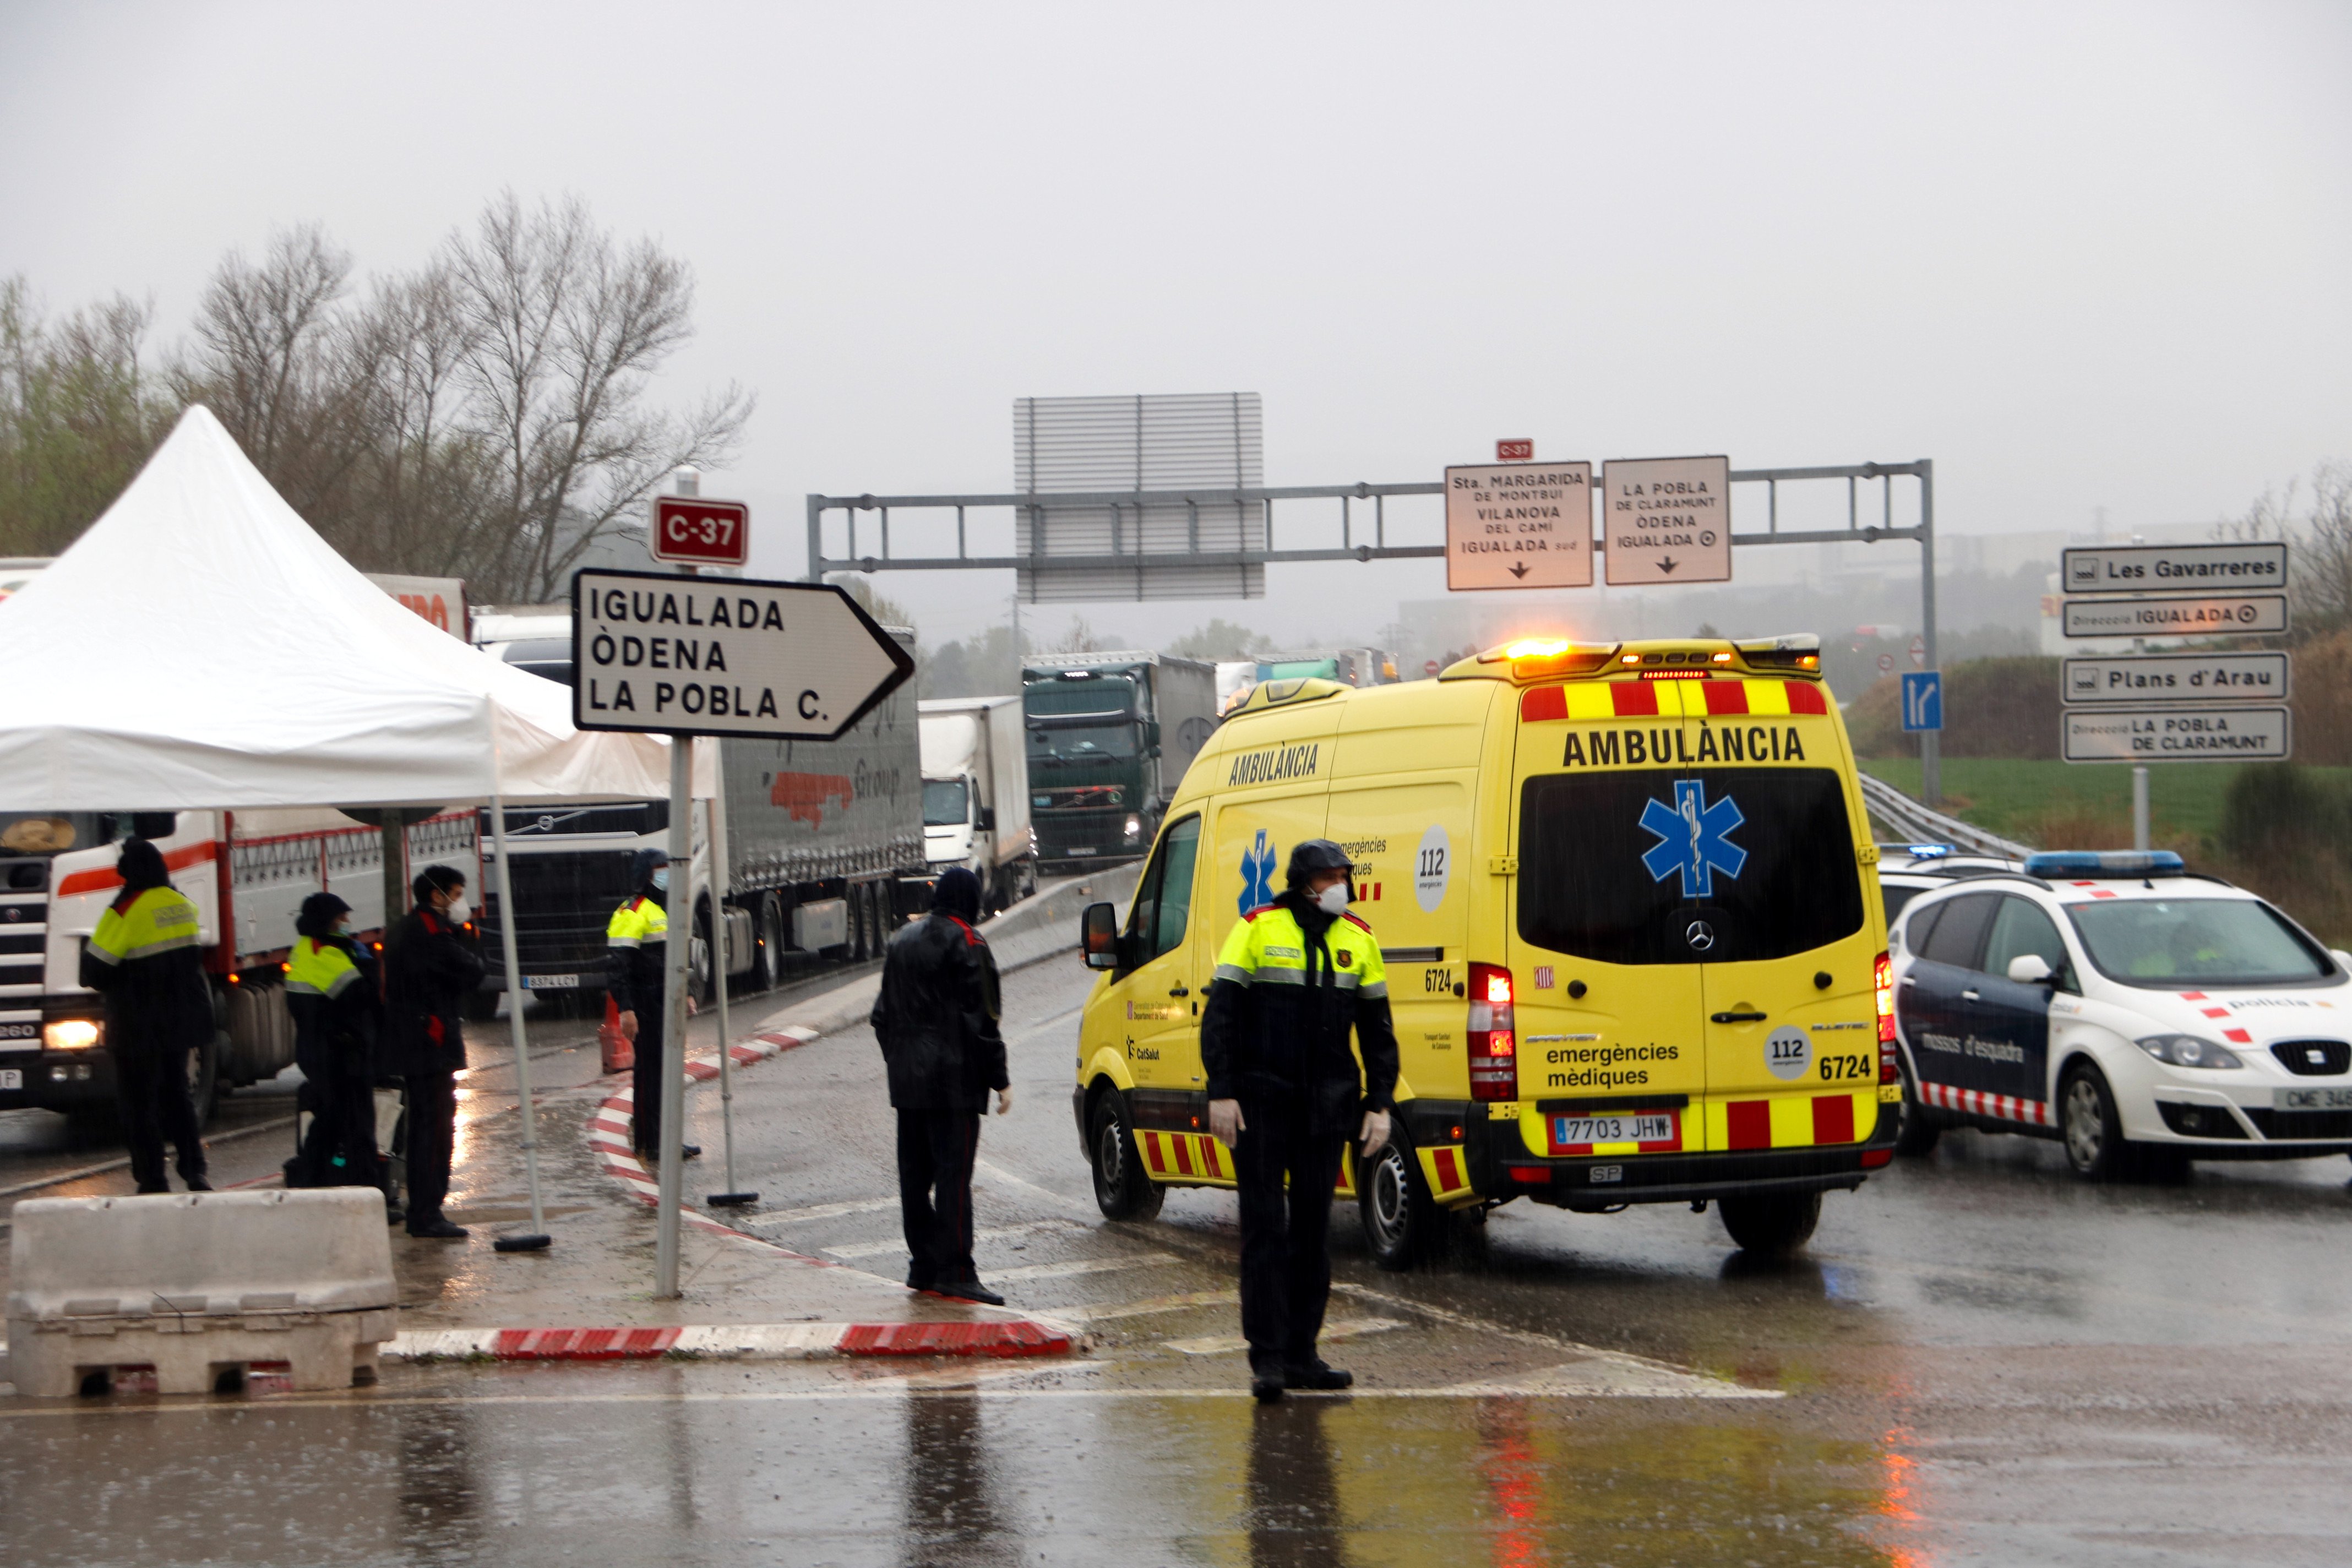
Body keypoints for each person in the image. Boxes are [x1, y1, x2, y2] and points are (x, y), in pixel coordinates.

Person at [1201, 838, 1400, 1403]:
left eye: (1343, 874)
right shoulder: (1258, 927)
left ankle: (1303, 1353)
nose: (1338, 883)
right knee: (1265, 1231)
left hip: (1326, 1109)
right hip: (1261, 1105)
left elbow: (1378, 1031)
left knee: (1313, 1234)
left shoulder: (1359, 938)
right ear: (1303, 882)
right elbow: (1222, 1015)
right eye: (1328, 876)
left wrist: (1380, 1101)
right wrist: (1221, 1091)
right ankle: (1267, 1359)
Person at [870, 867, 1011, 1304]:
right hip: (954, 1084)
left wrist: (900, 1061)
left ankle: (923, 1265)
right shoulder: (969, 942)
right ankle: (956, 1270)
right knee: (953, 1177)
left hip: (908, 1084)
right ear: (969, 899)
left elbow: (880, 1017)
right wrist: (1000, 1079)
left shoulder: (900, 941)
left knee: (914, 1178)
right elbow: (982, 1019)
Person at [79, 837, 213, 1195]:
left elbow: (94, 971)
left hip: (138, 1026)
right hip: (180, 1022)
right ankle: (195, 1171)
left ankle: (153, 1179)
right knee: (177, 1097)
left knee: (139, 1106)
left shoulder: (126, 910)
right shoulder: (182, 905)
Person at [382, 864, 483, 1239]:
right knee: (434, 1129)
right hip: (430, 1043)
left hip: (416, 1040)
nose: (462, 904)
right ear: (436, 896)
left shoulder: (406, 929)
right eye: (456, 896)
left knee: (426, 1125)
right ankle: (426, 1212)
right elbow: (472, 972)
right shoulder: (430, 934)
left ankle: (424, 1209)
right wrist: (467, 938)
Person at [284, 892, 393, 1213]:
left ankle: (312, 1184)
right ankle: (367, 1195)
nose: (347, 924)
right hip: (337, 1053)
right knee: (356, 1125)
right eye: (341, 918)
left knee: (333, 1122)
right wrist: (369, 962)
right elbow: (362, 994)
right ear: (327, 921)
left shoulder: (311, 947)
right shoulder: (323, 952)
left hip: (326, 1051)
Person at [607, 847, 699, 1161]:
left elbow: (672, 960)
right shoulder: (631, 911)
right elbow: (619, 966)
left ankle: (666, 1139)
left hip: (664, 999)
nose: (666, 874)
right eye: (661, 869)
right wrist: (627, 1009)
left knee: (668, 1072)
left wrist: (684, 992)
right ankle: (652, 1143)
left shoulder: (664, 908)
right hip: (645, 1001)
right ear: (647, 873)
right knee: (650, 1074)